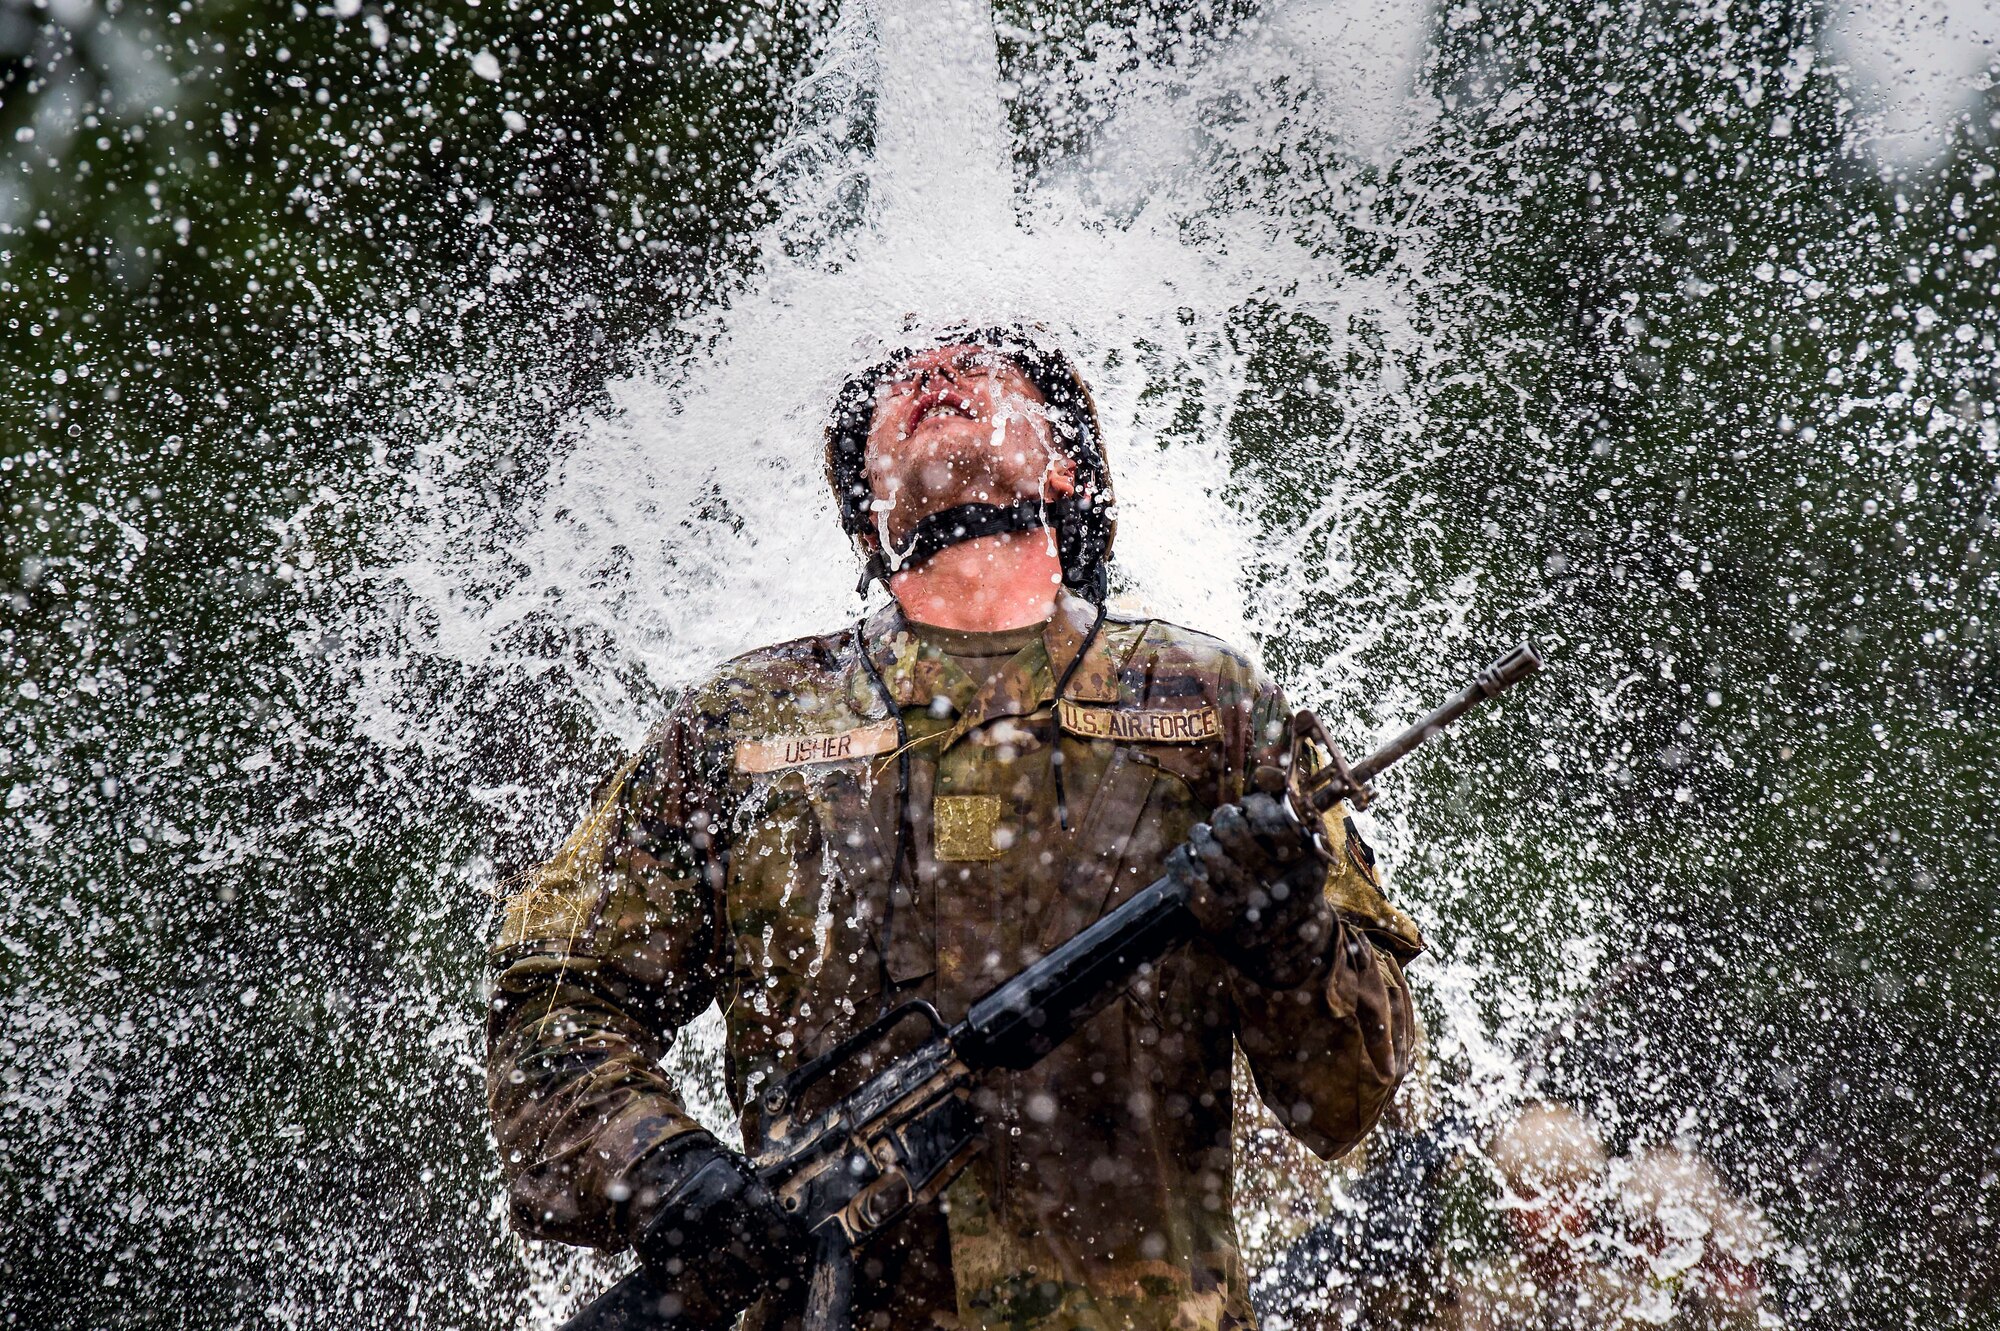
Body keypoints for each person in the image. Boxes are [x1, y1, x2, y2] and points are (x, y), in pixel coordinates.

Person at [484, 326, 1425, 1331]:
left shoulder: (1210, 705)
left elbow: (1352, 1089)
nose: (931, 374)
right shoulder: (742, 723)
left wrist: (1285, 935)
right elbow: (557, 1000)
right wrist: (659, 1167)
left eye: (981, 364)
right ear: (864, 513)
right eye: (894, 382)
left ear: (1065, 465)